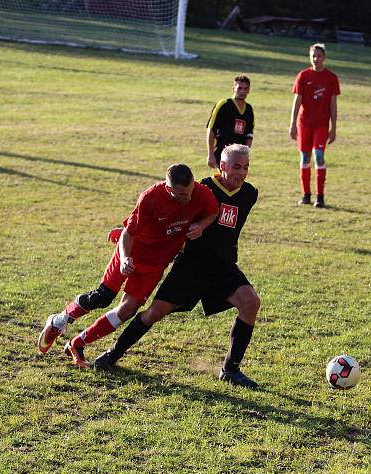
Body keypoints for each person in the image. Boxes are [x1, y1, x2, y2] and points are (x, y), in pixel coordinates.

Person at [94, 144, 261, 389]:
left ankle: (230, 369)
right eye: (236, 167)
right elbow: (168, 217)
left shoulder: (249, 194)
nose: (242, 172)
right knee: (154, 313)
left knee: (251, 302)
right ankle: (113, 354)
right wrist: (135, 235)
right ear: (222, 166)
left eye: (246, 167)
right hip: (191, 266)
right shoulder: (201, 189)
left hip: (223, 267)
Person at [37, 164, 219, 368]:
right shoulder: (151, 197)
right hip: (132, 253)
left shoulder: (201, 194)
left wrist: (201, 226)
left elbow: (213, 211)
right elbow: (127, 233)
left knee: (127, 311)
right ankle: (60, 320)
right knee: (103, 297)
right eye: (181, 194)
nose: (187, 198)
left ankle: (77, 344)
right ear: (168, 188)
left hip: (155, 263)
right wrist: (124, 259)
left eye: (190, 192)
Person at [289, 43, 340, 208]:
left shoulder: (331, 78)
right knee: (305, 158)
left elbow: (333, 104)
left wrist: (334, 128)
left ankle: (320, 196)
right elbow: (296, 102)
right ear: (309, 57)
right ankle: (306, 195)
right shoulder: (303, 76)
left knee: (319, 156)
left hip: (322, 125)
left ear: (324, 57)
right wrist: (292, 124)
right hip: (304, 124)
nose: (316, 59)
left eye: (318, 56)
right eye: (313, 56)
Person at [207, 75, 254, 172]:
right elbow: (211, 129)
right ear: (233, 88)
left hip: (239, 155)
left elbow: (249, 134)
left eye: (245, 88)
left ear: (249, 90)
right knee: (225, 179)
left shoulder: (249, 109)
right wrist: (210, 154)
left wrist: (246, 153)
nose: (242, 91)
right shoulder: (224, 104)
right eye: (239, 88)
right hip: (222, 152)